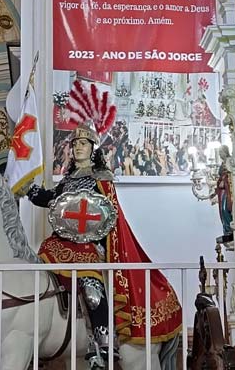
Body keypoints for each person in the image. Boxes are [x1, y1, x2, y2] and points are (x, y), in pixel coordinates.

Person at [27, 119, 182, 367]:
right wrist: (28, 188)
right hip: (61, 243)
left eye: (83, 143)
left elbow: (108, 215)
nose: (78, 147)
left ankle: (104, 344)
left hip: (90, 245)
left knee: (92, 288)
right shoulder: (66, 182)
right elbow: (50, 200)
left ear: (93, 149)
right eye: (75, 143)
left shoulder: (102, 179)